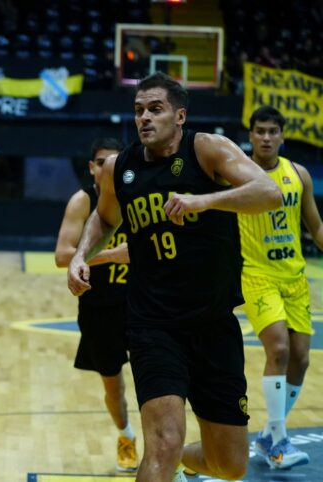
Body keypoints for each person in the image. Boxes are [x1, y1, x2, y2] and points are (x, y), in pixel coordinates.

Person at [67, 72, 282, 482]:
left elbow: (269, 193)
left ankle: (175, 462)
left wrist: (205, 201)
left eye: (155, 109)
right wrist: (81, 254)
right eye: (138, 110)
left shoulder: (208, 149)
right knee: (162, 443)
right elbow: (105, 218)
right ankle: (163, 461)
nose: (144, 118)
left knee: (230, 464)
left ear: (180, 116)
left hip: (213, 324)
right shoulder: (119, 168)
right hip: (154, 325)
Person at [239, 106, 321, 469]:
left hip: (295, 278)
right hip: (257, 275)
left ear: (282, 136)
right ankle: (279, 441)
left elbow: (315, 226)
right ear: (251, 135)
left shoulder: (298, 174)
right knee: (279, 349)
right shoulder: (237, 174)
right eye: (260, 131)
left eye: (273, 131)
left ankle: (269, 435)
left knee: (301, 359)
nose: (266, 137)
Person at [55, 137, 138, 473]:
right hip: (99, 307)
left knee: (158, 378)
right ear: (92, 167)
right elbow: (63, 255)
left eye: (115, 161)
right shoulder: (83, 201)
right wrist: (113, 255)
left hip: (140, 303)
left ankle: (168, 444)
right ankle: (126, 437)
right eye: (102, 162)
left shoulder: (136, 194)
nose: (109, 168)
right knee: (113, 384)